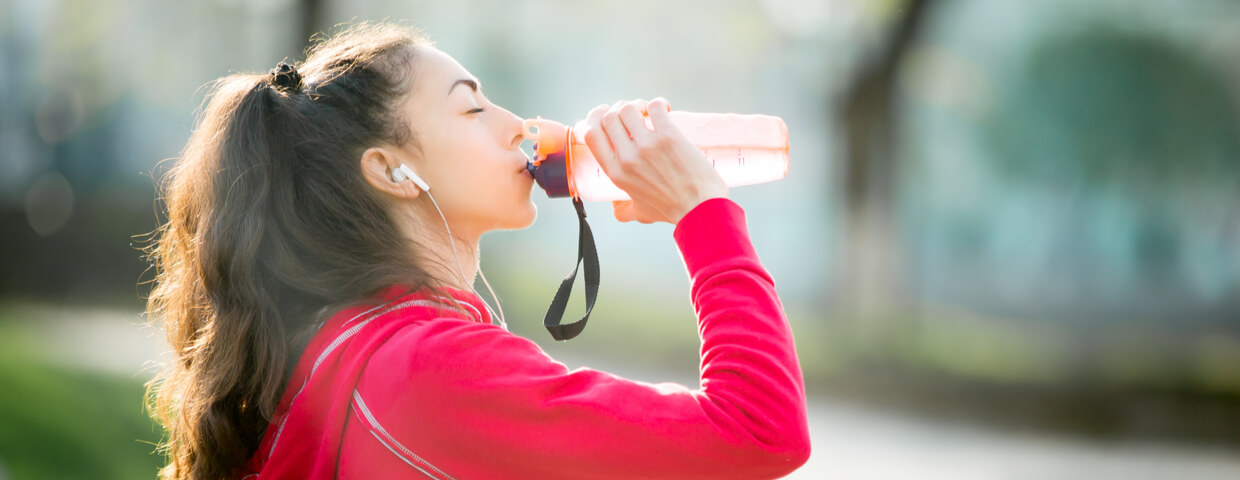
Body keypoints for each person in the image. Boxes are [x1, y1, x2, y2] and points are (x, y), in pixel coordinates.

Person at [144, 21, 810, 480]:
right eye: (472, 109)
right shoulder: (428, 368)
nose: (519, 125)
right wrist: (704, 217)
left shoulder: (354, 348)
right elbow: (758, 431)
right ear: (390, 170)